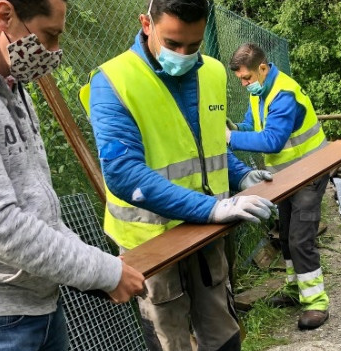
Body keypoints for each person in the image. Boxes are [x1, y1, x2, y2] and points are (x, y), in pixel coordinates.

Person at [0, 0, 146, 350]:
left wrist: (99, 266)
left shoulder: (13, 90)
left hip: (35, 307)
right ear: (4, 16)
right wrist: (102, 272)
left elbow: (39, 212)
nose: (54, 52)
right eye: (49, 36)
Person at [81, 0, 274, 350]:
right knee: (169, 338)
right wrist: (210, 209)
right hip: (152, 242)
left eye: (194, 45)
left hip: (207, 234)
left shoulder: (213, 72)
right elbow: (124, 174)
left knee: (222, 329)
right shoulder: (112, 81)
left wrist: (243, 177)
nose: (183, 54)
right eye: (172, 43)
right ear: (146, 24)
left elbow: (212, 145)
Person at [226, 43, 330, 330]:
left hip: (310, 172)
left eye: (246, 78)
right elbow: (252, 126)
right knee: (284, 234)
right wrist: (234, 129)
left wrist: (228, 139)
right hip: (287, 176)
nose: (245, 85)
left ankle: (317, 302)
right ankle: (295, 289)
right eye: (241, 81)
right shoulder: (261, 91)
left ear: (262, 67)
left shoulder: (283, 94)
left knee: (300, 238)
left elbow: (272, 140)